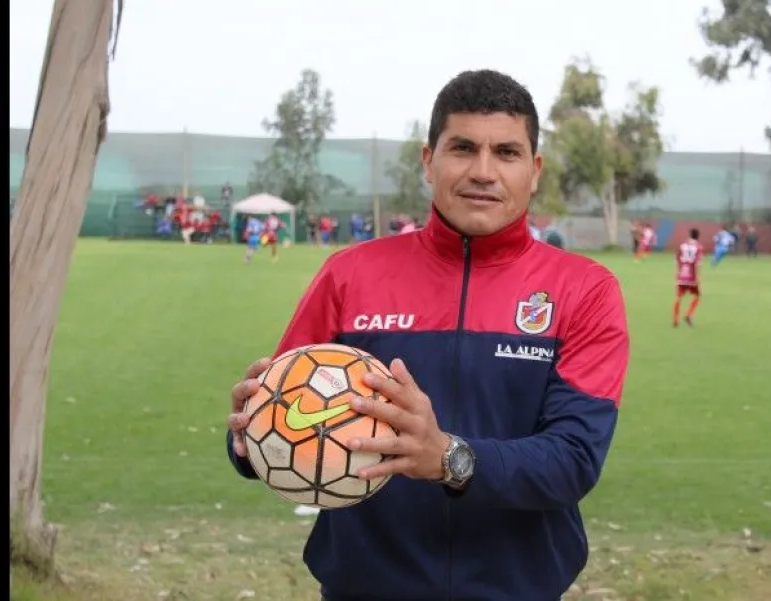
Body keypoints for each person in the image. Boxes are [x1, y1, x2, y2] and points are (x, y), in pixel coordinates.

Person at [225, 69, 630, 601]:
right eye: (462, 148)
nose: (483, 172)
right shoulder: (350, 275)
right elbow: (283, 415)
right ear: (428, 160)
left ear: (534, 170)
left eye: (506, 153)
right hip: (362, 590)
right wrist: (250, 436)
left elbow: (572, 459)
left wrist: (448, 457)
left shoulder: (584, 290)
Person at [673, 228, 703, 327]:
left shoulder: (682, 245)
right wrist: (697, 277)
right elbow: (697, 263)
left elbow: (677, 259)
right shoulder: (698, 247)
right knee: (697, 295)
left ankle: (675, 320)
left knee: (678, 297)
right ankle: (688, 315)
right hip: (692, 276)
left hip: (682, 275)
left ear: (689, 235)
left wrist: (678, 272)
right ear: (698, 236)